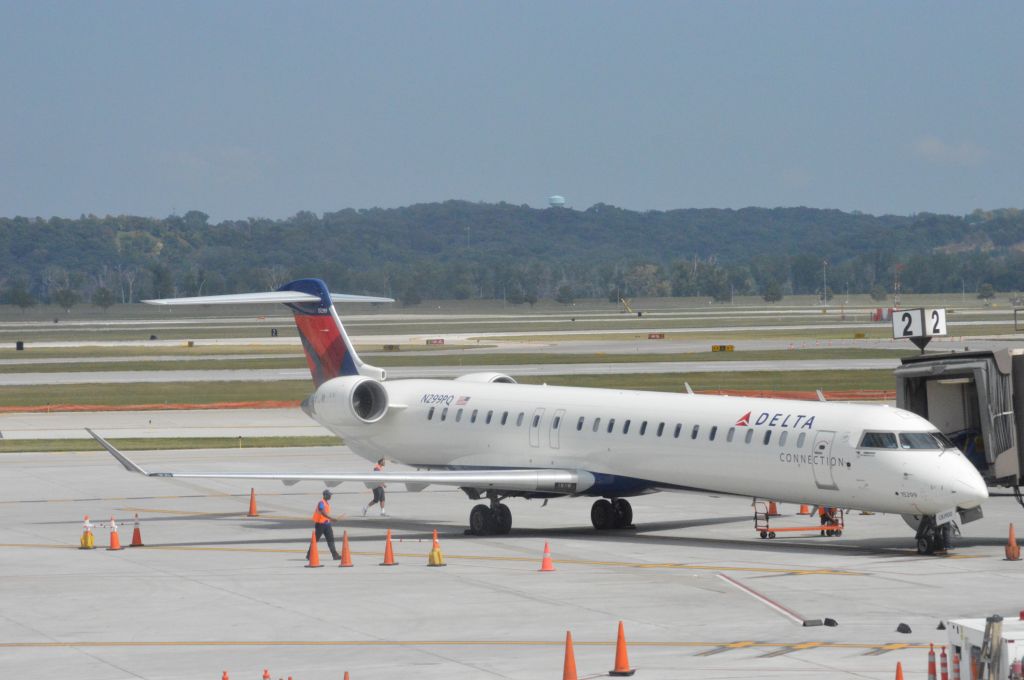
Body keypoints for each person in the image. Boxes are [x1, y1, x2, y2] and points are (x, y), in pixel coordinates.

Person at [307, 489, 341, 561]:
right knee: (315, 540)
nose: (330, 496)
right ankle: (309, 555)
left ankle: (335, 555)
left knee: (331, 539)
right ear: (325, 495)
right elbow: (322, 512)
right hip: (320, 524)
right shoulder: (321, 503)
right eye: (329, 495)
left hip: (327, 524)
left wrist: (330, 520)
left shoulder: (326, 503)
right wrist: (332, 518)